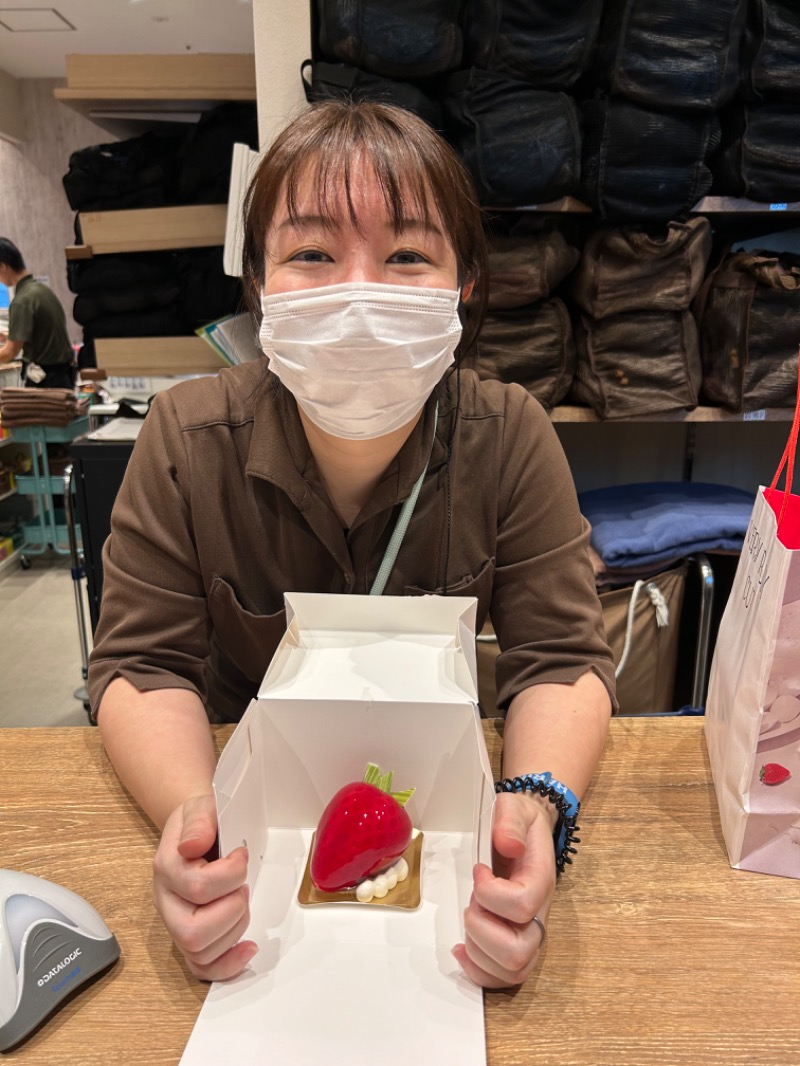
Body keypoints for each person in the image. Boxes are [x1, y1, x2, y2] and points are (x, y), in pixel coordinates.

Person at [88, 100, 616, 990]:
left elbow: (561, 658)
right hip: (258, 829)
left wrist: (539, 805)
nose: (360, 290)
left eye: (408, 254)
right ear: (257, 285)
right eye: (312, 254)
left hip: (443, 821)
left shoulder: (511, 432)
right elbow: (143, 666)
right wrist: (192, 817)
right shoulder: (183, 435)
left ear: (466, 285)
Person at [0, 238, 75, 389]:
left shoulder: (22, 300)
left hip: (47, 382)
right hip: (63, 375)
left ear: (3, 266)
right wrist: (9, 337)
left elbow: (10, 352)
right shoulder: (41, 291)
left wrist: (9, 344)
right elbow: (41, 335)